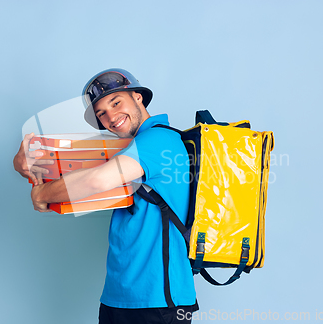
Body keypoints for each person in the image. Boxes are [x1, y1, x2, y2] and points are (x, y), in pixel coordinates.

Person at [13, 69, 198, 323]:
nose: (111, 117)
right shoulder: (125, 148)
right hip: (118, 297)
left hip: (158, 300)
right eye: (101, 113)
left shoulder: (159, 140)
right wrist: (22, 160)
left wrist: (43, 194)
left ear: (138, 97)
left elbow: (96, 180)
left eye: (116, 102)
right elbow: (64, 165)